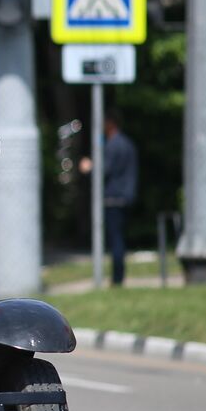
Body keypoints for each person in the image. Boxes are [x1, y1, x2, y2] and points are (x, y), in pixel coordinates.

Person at [81, 112, 138, 286]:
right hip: (126, 197)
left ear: (111, 124)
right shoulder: (128, 144)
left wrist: (89, 168)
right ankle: (118, 276)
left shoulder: (112, 145)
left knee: (115, 239)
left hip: (113, 198)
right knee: (119, 237)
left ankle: (117, 278)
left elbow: (103, 172)